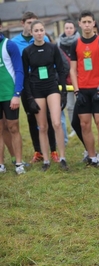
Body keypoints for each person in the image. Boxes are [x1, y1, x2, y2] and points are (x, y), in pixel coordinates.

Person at [12, 11, 59, 164]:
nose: (33, 26)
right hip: (27, 86)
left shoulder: (45, 39)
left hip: (46, 84)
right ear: (23, 23)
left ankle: (53, 150)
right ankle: (38, 151)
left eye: (35, 23)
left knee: (49, 118)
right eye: (29, 23)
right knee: (32, 118)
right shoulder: (14, 42)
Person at [22, 20, 69, 171]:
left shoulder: (53, 48)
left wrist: (63, 91)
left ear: (44, 31)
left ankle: (62, 158)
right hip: (36, 89)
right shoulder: (27, 51)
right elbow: (25, 76)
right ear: (31, 33)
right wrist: (29, 97)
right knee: (42, 126)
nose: (39, 33)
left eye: (41, 30)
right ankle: (46, 161)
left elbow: (61, 70)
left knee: (56, 123)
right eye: (36, 31)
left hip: (51, 87)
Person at [69, 10, 99, 167]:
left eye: (89, 22)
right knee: (84, 124)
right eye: (83, 22)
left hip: (97, 88)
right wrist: (76, 91)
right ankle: (92, 157)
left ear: (94, 23)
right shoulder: (75, 44)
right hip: (82, 90)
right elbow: (73, 70)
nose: (86, 25)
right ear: (79, 24)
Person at [0, 18, 26, 175]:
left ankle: (18, 163)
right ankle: (1, 164)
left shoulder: (9, 45)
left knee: (13, 127)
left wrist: (17, 94)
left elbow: (19, 70)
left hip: (9, 95)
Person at [58, 20, 80, 139]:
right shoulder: (59, 44)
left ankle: (82, 125)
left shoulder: (79, 41)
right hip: (66, 80)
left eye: (71, 28)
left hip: (80, 78)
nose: (68, 30)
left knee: (81, 105)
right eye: (66, 28)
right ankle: (74, 128)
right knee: (70, 106)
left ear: (75, 29)